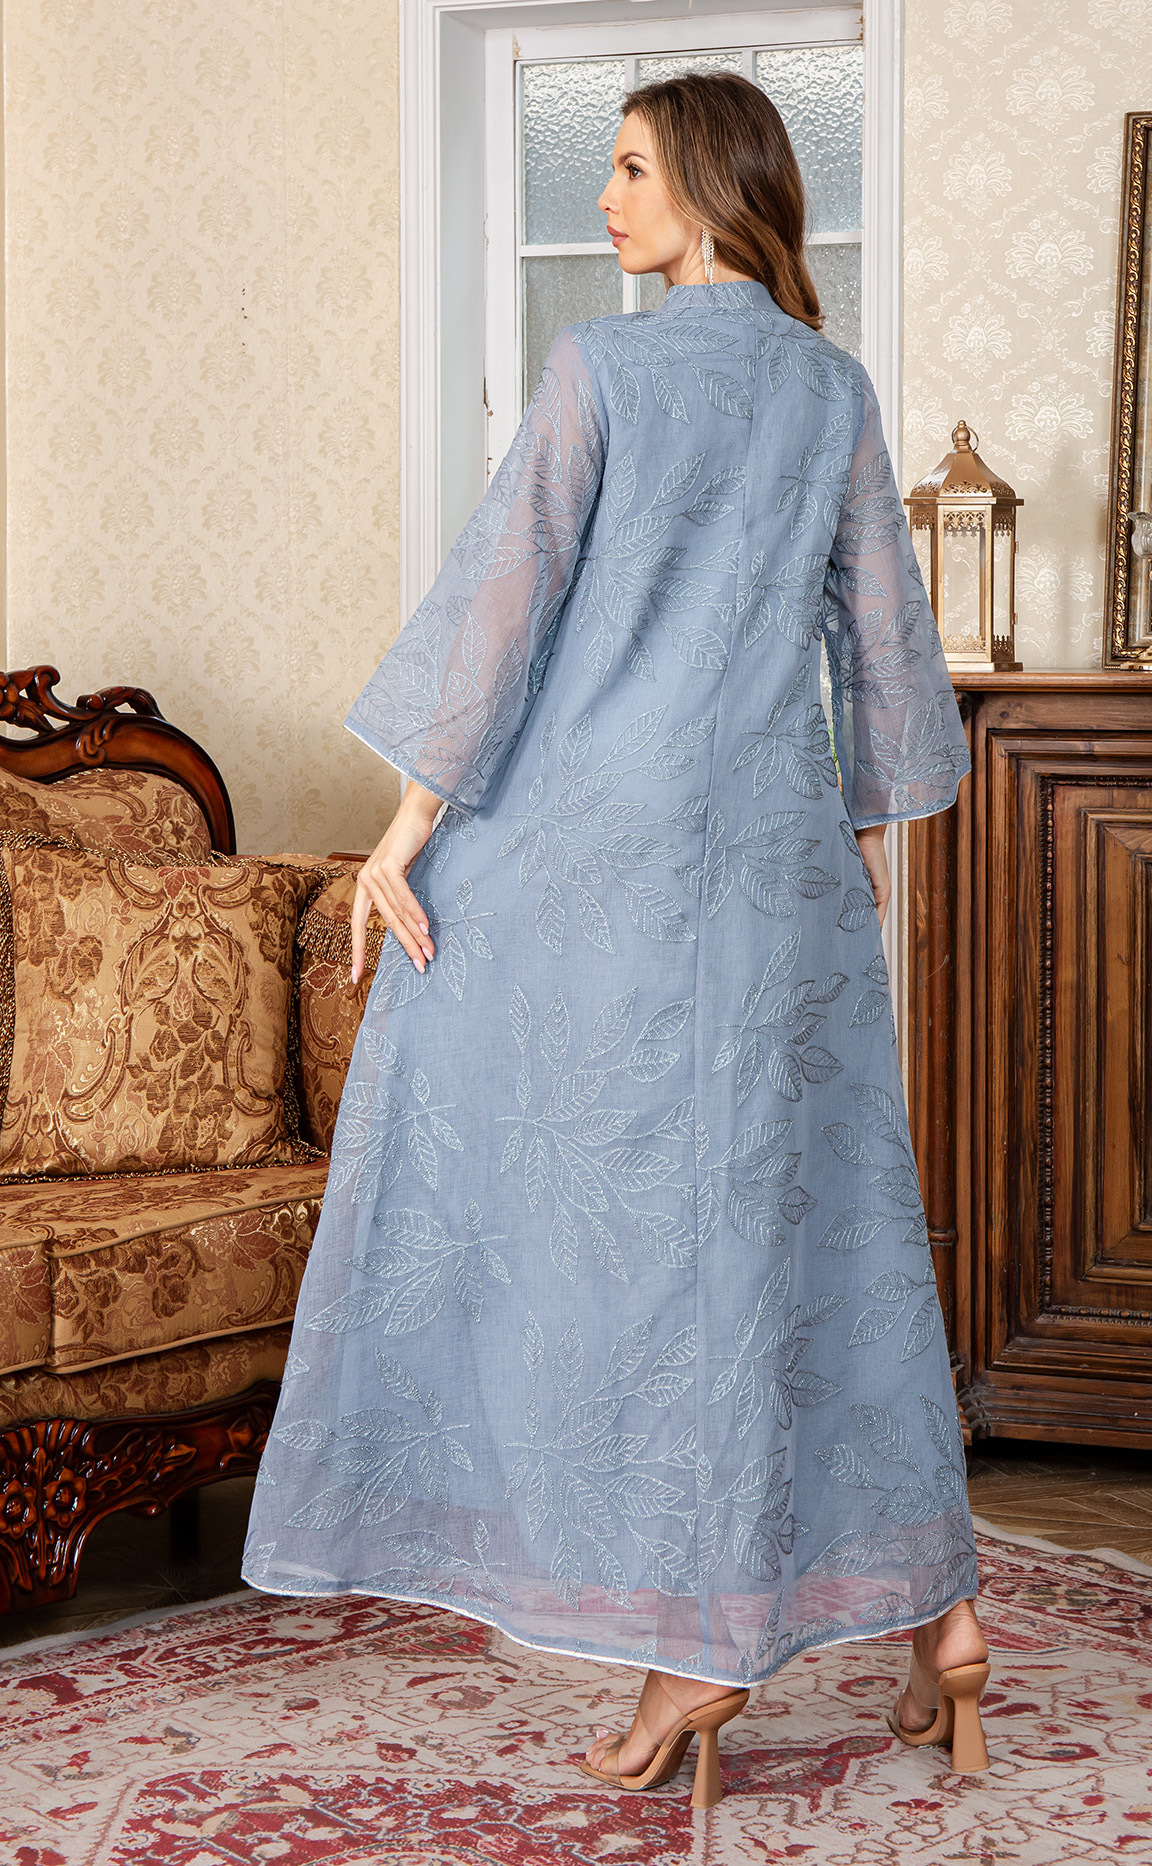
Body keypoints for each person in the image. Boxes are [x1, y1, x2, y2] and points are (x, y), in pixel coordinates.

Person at [243, 69, 990, 1808]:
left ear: (714, 184)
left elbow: (501, 610)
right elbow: (884, 649)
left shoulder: (600, 369)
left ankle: (695, 1641)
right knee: (826, 1231)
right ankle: (942, 1613)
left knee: (632, 1247)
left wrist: (402, 835)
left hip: (604, 860)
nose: (607, 195)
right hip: (781, 866)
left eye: (634, 165)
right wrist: (859, 849)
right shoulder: (831, 389)